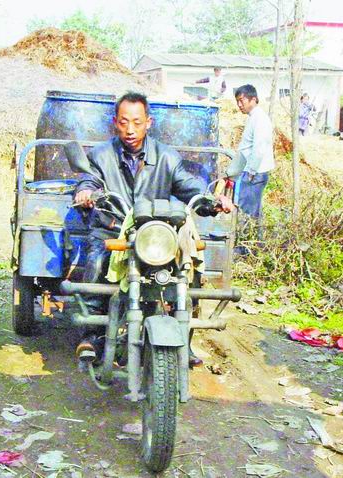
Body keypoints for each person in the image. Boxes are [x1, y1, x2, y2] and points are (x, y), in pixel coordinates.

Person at [74, 92, 233, 365]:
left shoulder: (167, 157)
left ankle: (183, 339)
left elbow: (190, 187)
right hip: (113, 228)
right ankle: (92, 335)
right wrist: (86, 193)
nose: (130, 129)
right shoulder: (101, 155)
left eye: (137, 122)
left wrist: (213, 201)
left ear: (148, 122)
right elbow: (89, 180)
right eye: (124, 122)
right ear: (115, 122)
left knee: (187, 268)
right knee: (97, 260)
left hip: (155, 234)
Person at [226, 84, 274, 243]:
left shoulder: (260, 119)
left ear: (253, 99)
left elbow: (259, 147)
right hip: (252, 171)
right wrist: (230, 173)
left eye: (242, 100)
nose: (239, 105)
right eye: (237, 101)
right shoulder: (253, 118)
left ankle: (244, 249)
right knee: (252, 213)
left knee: (247, 213)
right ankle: (254, 246)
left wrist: (252, 171)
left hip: (255, 173)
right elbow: (245, 149)